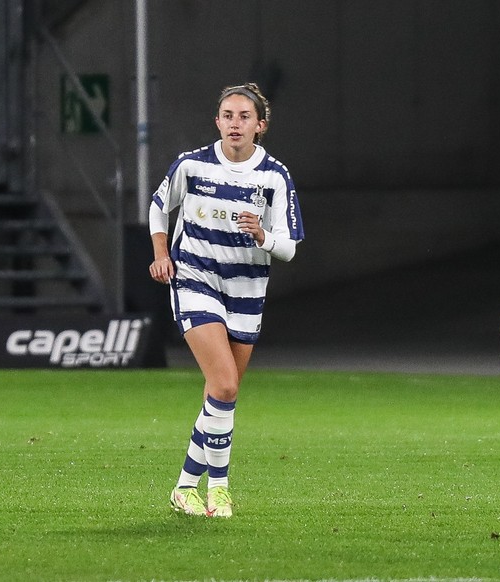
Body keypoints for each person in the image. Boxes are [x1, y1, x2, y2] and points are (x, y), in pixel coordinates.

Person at [148, 83, 304, 517]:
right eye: (228, 116)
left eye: (244, 117)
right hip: (196, 279)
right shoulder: (192, 165)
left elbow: (289, 247)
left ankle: (183, 488)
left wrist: (263, 235)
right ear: (217, 121)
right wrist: (162, 254)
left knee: (221, 396)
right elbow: (160, 207)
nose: (235, 124)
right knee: (226, 385)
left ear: (261, 125)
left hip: (247, 290)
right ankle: (219, 489)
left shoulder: (274, 176)